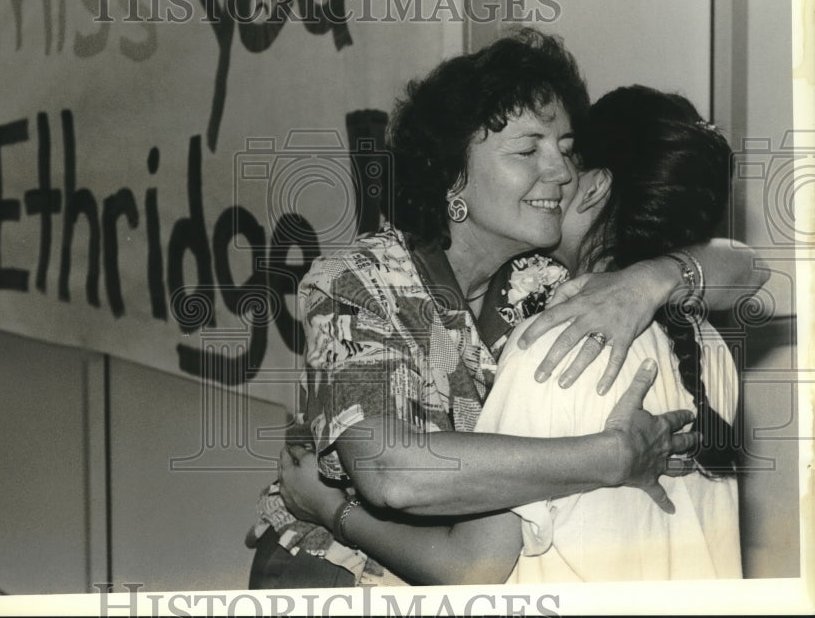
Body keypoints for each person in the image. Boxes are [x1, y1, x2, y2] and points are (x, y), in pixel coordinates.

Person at [249, 30, 765, 587]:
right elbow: (390, 472)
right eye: (529, 150)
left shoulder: (546, 274)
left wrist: (655, 277)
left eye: (566, 149)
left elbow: (752, 271)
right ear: (452, 175)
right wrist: (608, 457)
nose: (562, 172)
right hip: (339, 577)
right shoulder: (361, 281)